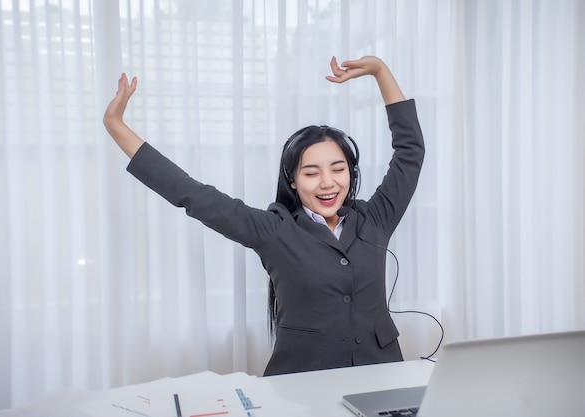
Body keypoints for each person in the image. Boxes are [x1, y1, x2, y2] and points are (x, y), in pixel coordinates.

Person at [103, 55, 425, 376]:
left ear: (351, 175)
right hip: (303, 383)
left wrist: (381, 71)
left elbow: (409, 152)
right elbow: (192, 194)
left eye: (338, 169)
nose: (328, 182)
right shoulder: (274, 230)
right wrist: (115, 125)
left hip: (381, 376)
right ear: (293, 182)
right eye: (311, 173)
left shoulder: (376, 218)